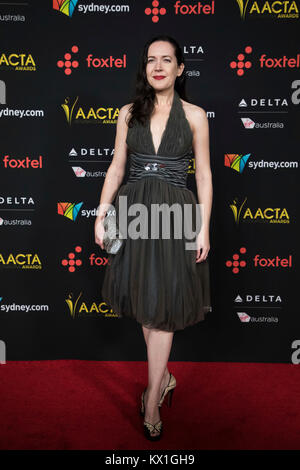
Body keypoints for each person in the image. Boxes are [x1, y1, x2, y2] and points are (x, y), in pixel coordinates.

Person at [94, 35, 213, 441]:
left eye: (167, 60)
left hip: (177, 214)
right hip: (134, 213)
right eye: (151, 60)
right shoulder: (128, 113)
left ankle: (151, 401)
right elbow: (115, 167)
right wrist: (102, 213)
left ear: (180, 69)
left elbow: (204, 175)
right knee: (147, 300)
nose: (158, 66)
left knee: (164, 304)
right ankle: (163, 380)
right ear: (144, 68)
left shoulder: (195, 115)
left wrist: (204, 226)